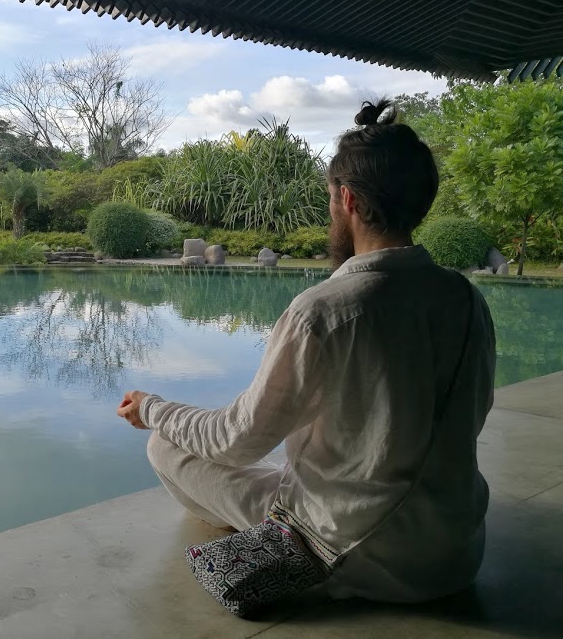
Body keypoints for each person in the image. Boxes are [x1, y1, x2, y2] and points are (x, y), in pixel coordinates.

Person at [117, 99, 496, 603]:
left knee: (165, 445)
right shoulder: (466, 298)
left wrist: (153, 409)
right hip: (455, 554)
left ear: (350, 202)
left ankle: (280, 539)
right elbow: (474, 412)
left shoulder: (323, 310)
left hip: (355, 554)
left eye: (332, 202)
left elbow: (237, 441)